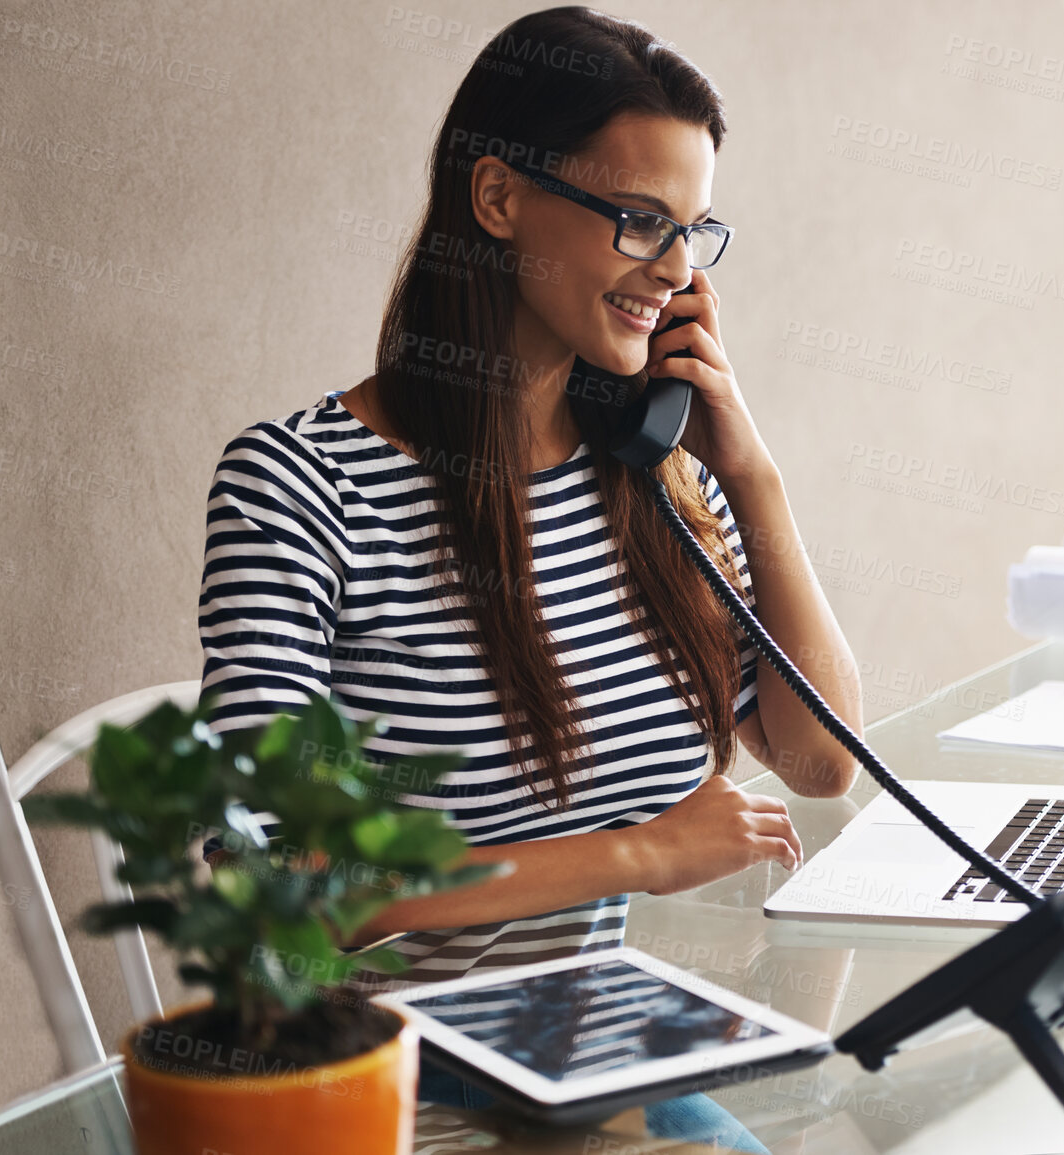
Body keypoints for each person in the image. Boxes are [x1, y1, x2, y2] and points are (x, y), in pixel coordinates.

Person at [196, 8, 861, 1149]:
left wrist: (752, 477)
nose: (675, 272)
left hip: (581, 1058)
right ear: (499, 200)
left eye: (697, 232)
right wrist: (635, 855)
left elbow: (817, 762)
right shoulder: (302, 485)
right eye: (642, 222)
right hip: (378, 1085)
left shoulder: (646, 477)